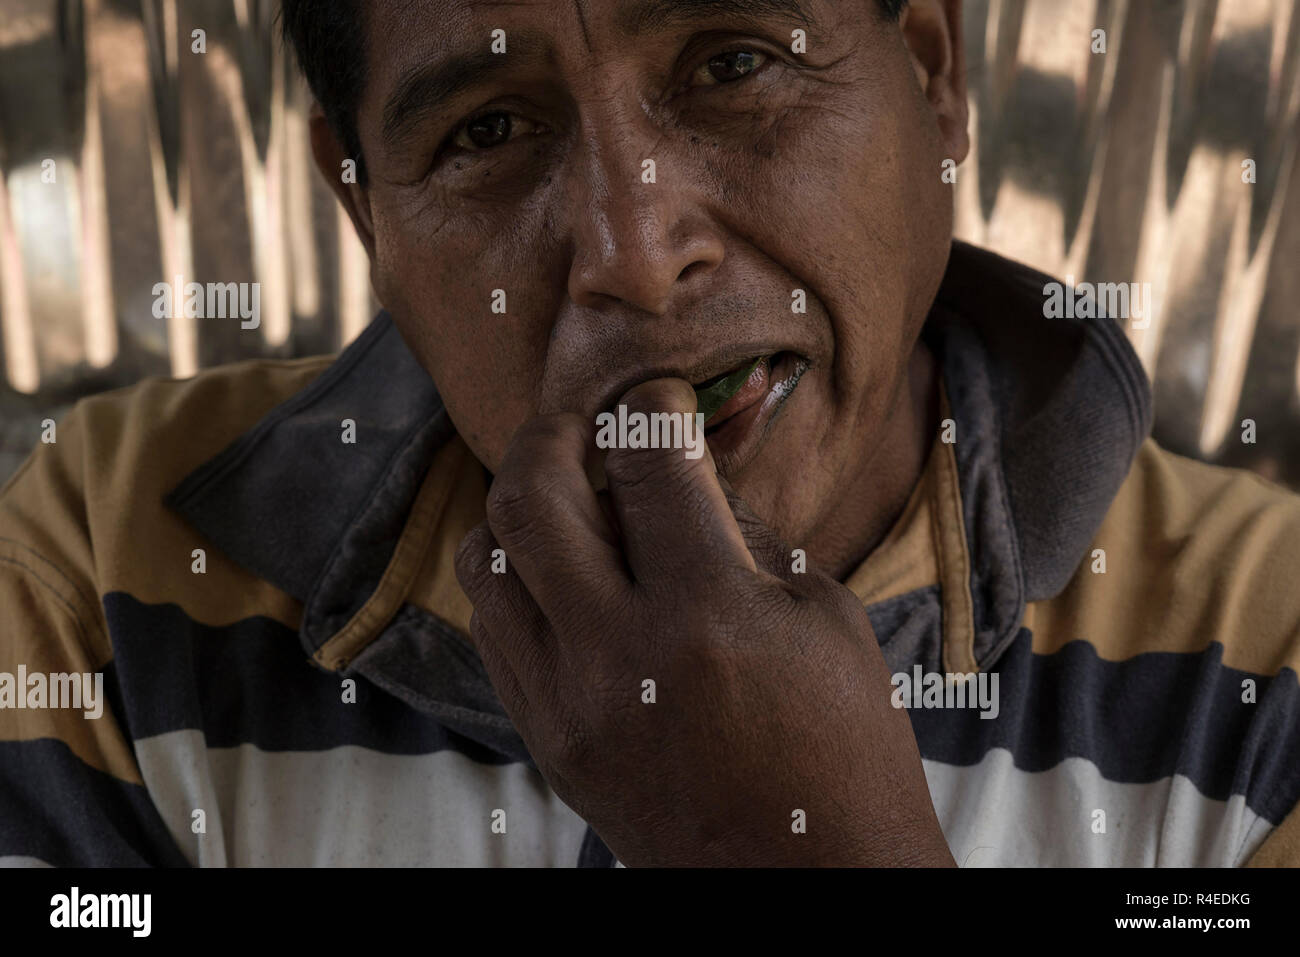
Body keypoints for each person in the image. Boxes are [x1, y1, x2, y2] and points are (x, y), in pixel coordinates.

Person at [1, 0, 1296, 867]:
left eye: (734, 63)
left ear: (931, 73)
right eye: (488, 131)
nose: (631, 249)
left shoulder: (1271, 666)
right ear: (364, 215)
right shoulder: (108, 582)